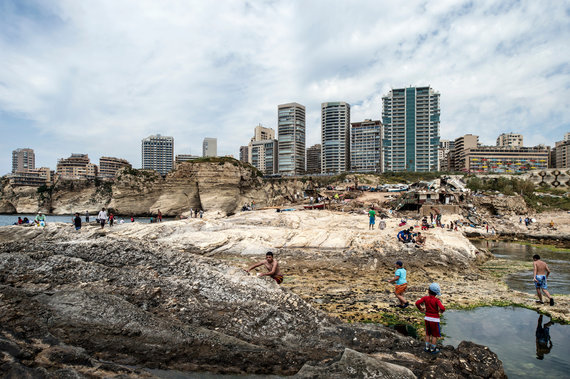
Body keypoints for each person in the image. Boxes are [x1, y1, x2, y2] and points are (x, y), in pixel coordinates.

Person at [415, 283, 445, 354]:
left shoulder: (425, 298)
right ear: (436, 293)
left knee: (428, 334)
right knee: (434, 335)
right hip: (434, 319)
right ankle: (433, 349)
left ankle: (427, 347)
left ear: (428, 291)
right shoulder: (437, 300)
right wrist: (440, 311)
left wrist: (420, 308)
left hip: (427, 318)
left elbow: (417, 303)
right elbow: (442, 308)